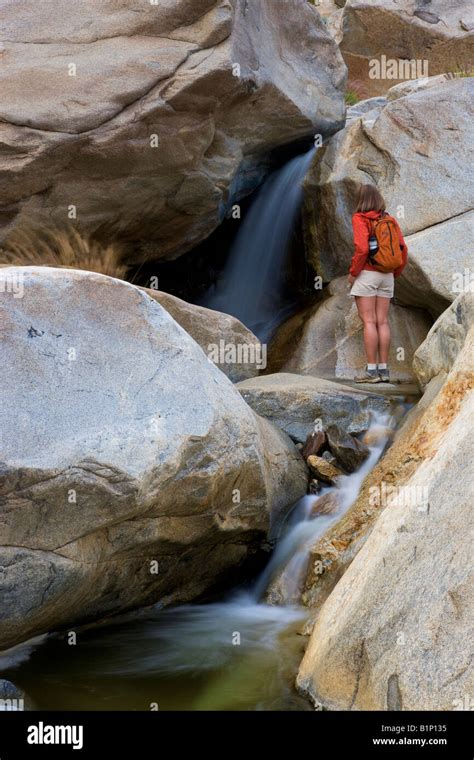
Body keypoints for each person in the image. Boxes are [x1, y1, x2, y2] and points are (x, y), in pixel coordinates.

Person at [348, 184, 408, 383]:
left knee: (369, 322)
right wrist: (394, 272)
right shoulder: (390, 219)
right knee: (382, 321)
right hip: (387, 276)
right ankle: (384, 370)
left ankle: (371, 372)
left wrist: (353, 273)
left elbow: (362, 249)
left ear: (361, 200)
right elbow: (402, 249)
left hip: (368, 274)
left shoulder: (360, 218)